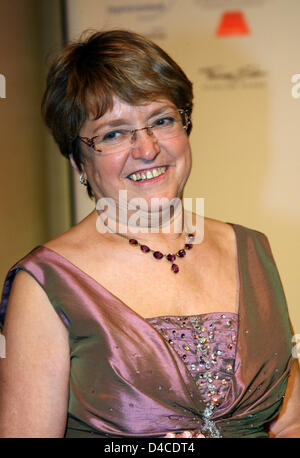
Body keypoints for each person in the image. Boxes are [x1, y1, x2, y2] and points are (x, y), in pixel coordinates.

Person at [0, 29, 299, 439]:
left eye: (161, 120)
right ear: (77, 160)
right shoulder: (46, 285)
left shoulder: (251, 249)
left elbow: (290, 421)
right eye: (113, 133)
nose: (147, 149)